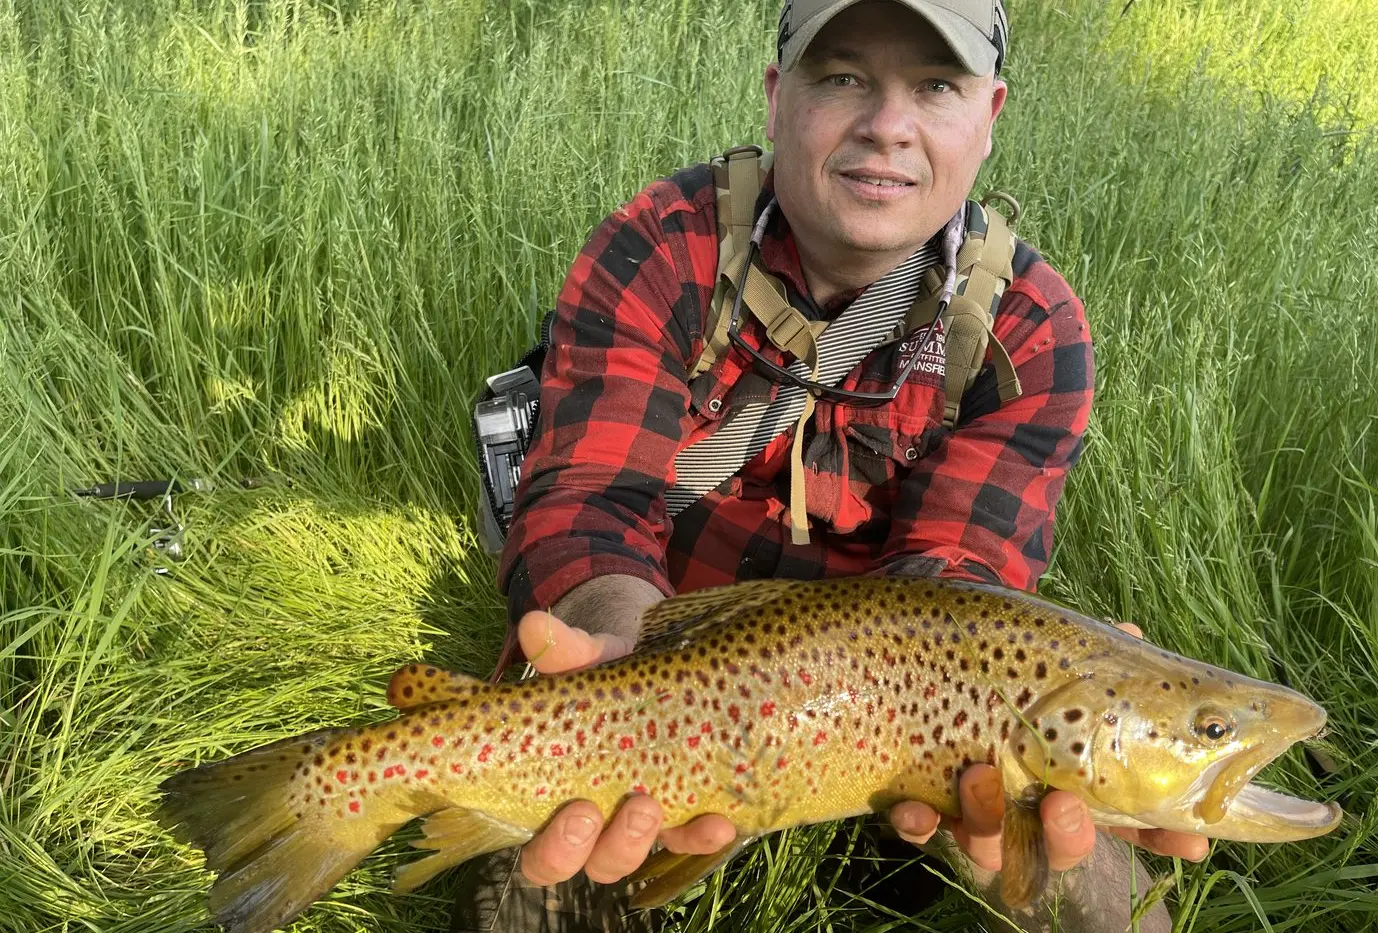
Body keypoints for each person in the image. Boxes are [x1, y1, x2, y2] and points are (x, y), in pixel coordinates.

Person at [458, 1, 1207, 930]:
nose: (888, 125)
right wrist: (629, 674)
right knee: (534, 888)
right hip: (652, 657)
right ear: (778, 100)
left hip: (892, 711)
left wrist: (1035, 686)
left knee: (1110, 900)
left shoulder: (1028, 330)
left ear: (990, 119)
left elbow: (954, 582)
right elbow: (590, 502)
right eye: (844, 77)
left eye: (936, 86)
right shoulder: (665, 245)